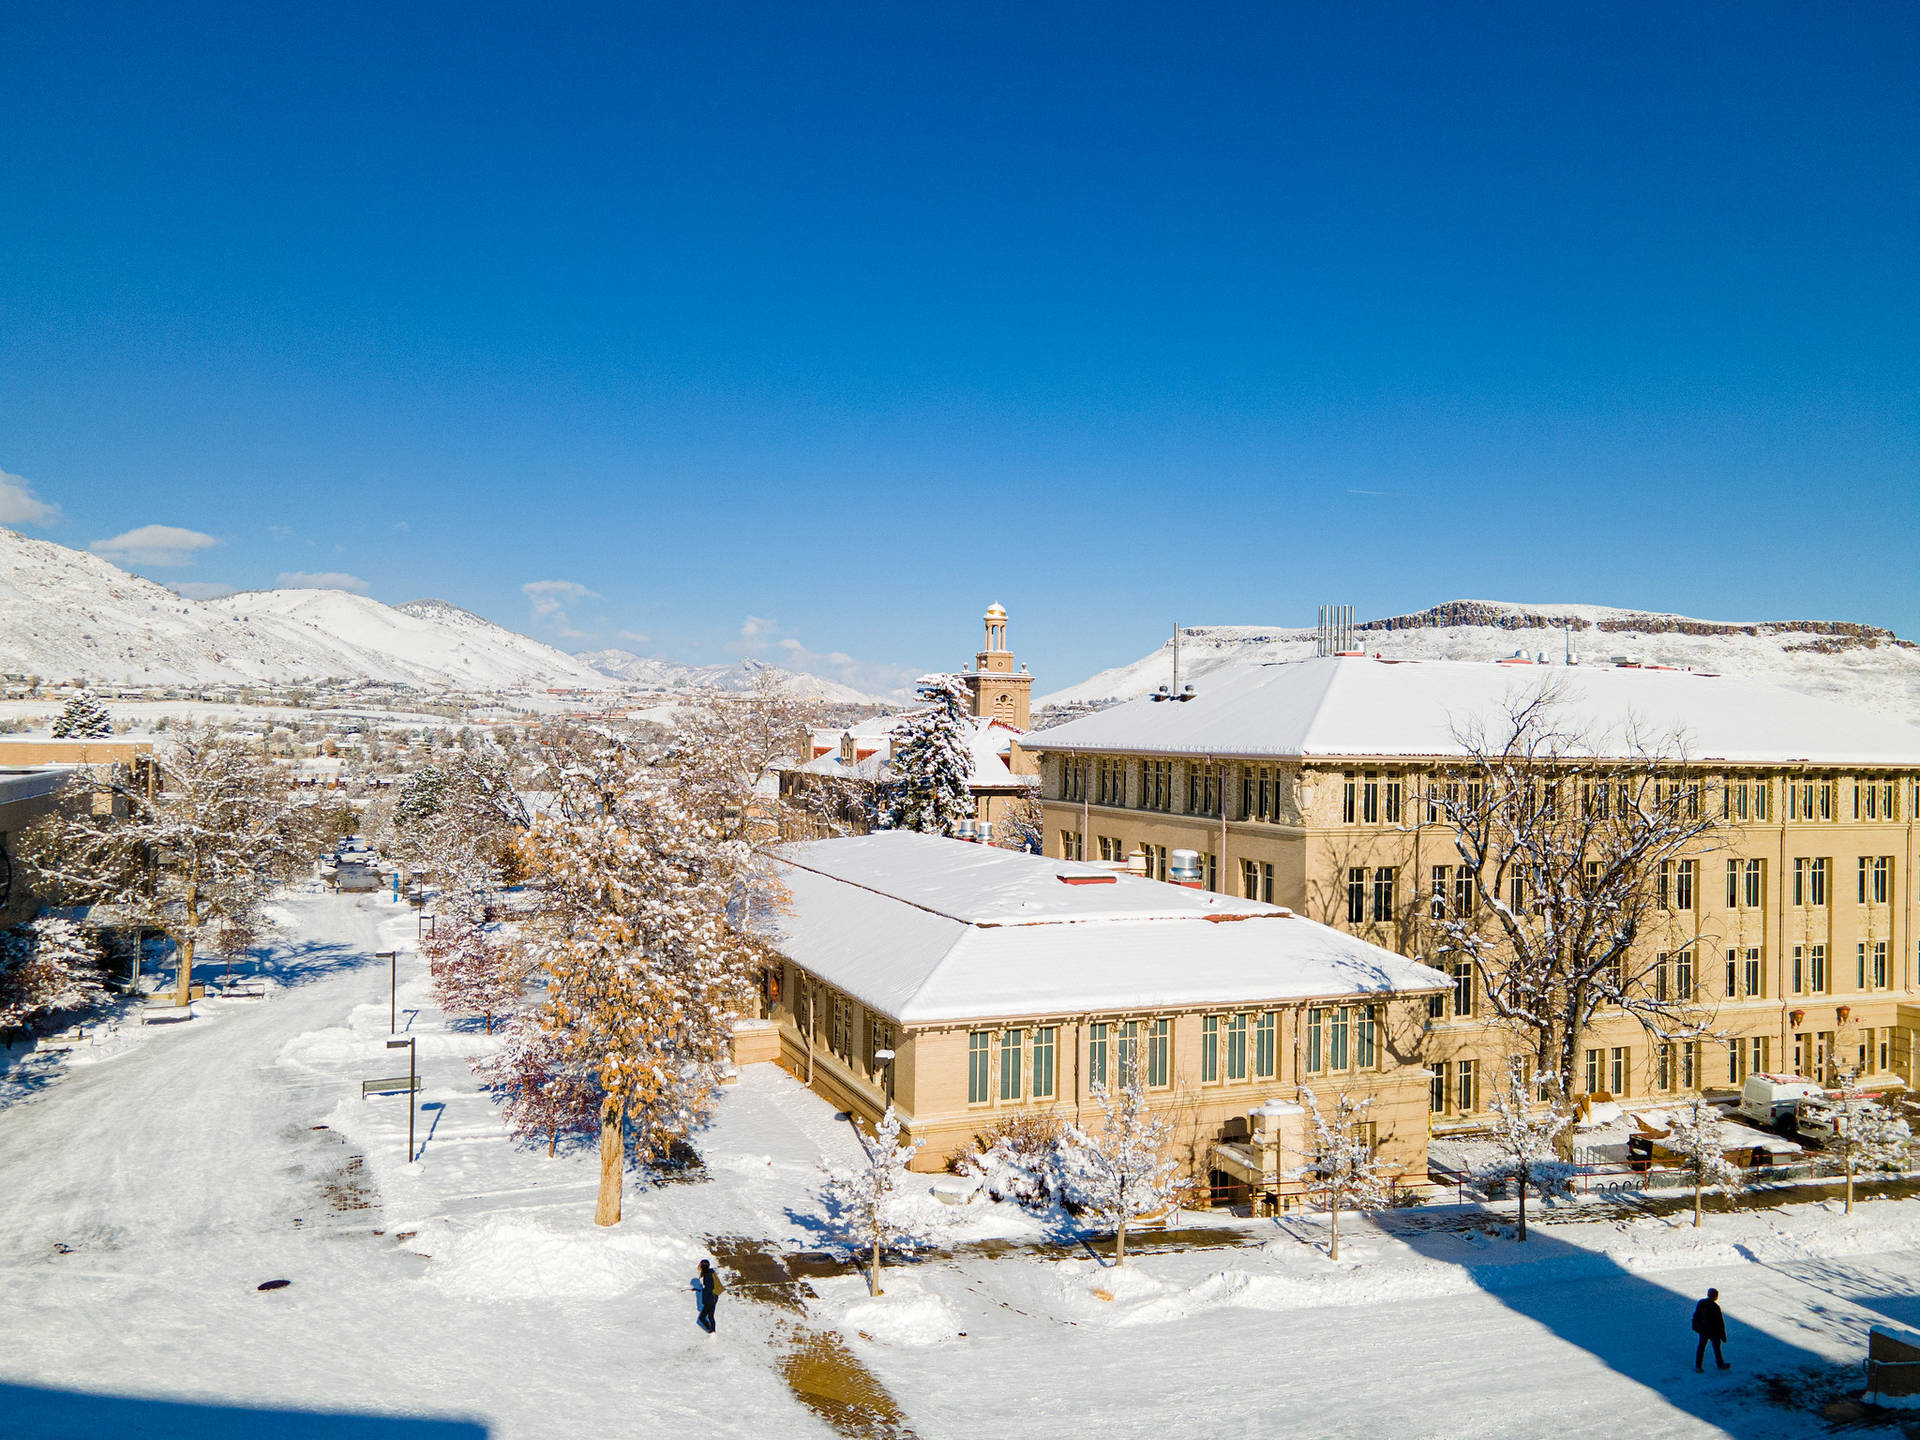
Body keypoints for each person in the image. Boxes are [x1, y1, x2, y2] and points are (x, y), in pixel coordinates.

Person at [1692, 1288, 1729, 1371]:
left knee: (1701, 1347)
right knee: (1717, 1349)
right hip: (1714, 1332)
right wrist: (1723, 1335)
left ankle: (1698, 1366)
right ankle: (1720, 1364)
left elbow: (1697, 1316)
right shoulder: (1715, 1307)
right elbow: (1720, 1323)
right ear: (1715, 1296)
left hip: (1703, 1330)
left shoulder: (1701, 1303)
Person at [696, 1259, 723, 1335]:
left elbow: (709, 1287)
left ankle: (711, 1332)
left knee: (702, 1317)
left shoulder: (707, 1275)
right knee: (711, 1316)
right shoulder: (710, 1273)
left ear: (702, 1266)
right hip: (713, 1297)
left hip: (710, 1298)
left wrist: (705, 1299)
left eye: (700, 1264)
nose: (698, 1266)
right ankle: (712, 1332)